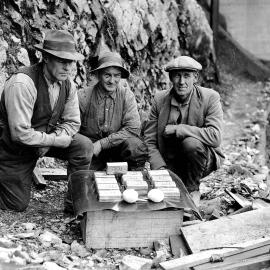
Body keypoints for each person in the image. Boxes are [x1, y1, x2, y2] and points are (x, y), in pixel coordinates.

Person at [0, 30, 93, 212]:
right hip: (12, 151)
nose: (68, 68)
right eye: (62, 61)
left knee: (83, 146)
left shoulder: (68, 84)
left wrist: (54, 137)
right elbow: (20, 134)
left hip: (41, 142)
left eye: (71, 62)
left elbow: (72, 122)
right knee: (16, 205)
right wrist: (54, 140)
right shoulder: (23, 83)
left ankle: (75, 204)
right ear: (46, 58)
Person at [144, 56, 224, 205]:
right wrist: (160, 168)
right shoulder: (159, 100)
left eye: (187, 76)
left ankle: (193, 189)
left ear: (195, 77)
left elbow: (215, 136)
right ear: (170, 78)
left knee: (191, 143)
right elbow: (149, 140)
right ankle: (173, 179)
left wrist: (179, 129)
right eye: (177, 76)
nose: (182, 82)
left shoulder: (210, 98)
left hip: (200, 160)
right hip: (169, 160)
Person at [79, 51, 148, 171]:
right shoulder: (83, 96)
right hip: (92, 151)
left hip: (118, 150)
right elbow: (73, 128)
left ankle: (134, 179)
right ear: (98, 74)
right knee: (85, 180)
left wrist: (102, 144)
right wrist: (87, 146)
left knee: (135, 146)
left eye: (117, 76)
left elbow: (133, 129)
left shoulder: (127, 95)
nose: (112, 81)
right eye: (107, 75)